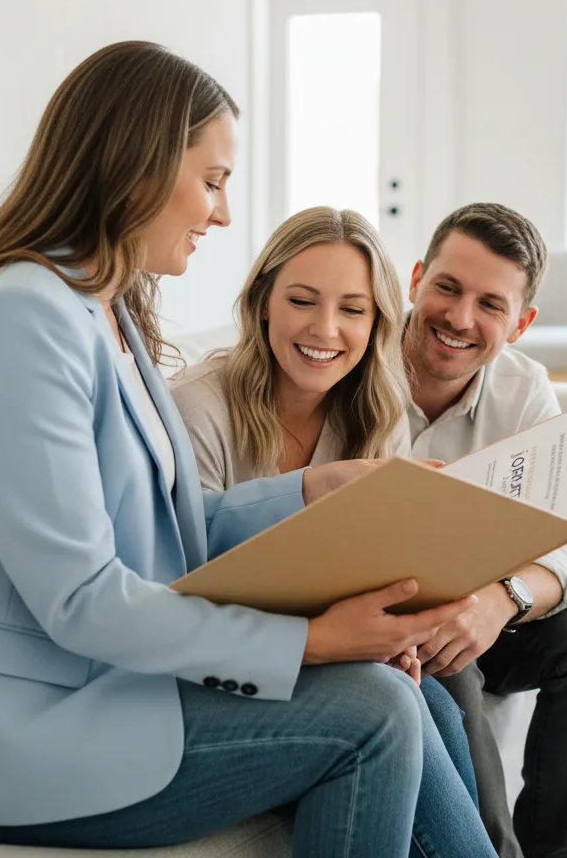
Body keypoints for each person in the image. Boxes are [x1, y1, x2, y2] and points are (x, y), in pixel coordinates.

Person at [0, 42, 497, 858]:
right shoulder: (20, 319)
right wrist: (316, 642)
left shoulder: (107, 310)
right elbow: (83, 600)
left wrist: (317, 489)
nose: (223, 213)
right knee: (373, 712)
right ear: (136, 169)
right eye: (212, 181)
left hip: (98, 691)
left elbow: (164, 529)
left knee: (417, 698)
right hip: (3, 737)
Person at [170, 204, 479, 804]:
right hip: (228, 663)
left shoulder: (377, 415)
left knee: (433, 696)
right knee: (406, 703)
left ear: (377, 323)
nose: (325, 329)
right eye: (302, 301)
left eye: (352, 310)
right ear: (264, 301)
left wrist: (399, 640)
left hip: (338, 655)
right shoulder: (198, 410)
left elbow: (393, 569)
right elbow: (181, 574)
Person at [401, 203, 567, 858]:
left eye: (490, 304)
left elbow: (566, 538)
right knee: (449, 660)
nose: (460, 317)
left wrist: (499, 601)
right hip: (400, 615)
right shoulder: (357, 365)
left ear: (522, 322)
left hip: (488, 605)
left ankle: (552, 847)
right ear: (417, 279)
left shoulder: (524, 389)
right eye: (446, 287)